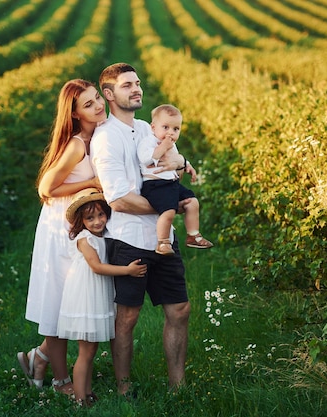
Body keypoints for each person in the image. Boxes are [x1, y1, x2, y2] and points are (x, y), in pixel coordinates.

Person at [90, 63, 191, 396]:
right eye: (126, 85)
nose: (136, 89)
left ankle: (178, 386)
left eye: (137, 83)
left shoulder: (148, 128)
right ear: (109, 94)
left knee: (179, 309)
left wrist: (179, 165)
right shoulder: (106, 137)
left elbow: (173, 160)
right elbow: (118, 199)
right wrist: (171, 205)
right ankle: (123, 387)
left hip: (163, 238)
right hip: (130, 239)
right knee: (128, 317)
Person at [19, 79, 106, 395]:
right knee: (60, 301)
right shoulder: (76, 145)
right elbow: (46, 188)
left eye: (97, 98)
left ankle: (38, 357)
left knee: (72, 297)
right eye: (88, 104)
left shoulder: (97, 134)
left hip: (76, 224)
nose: (98, 105)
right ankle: (60, 382)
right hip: (60, 228)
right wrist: (89, 184)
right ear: (73, 115)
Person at [58, 188, 147, 406]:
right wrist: (128, 271)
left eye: (101, 215)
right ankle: (80, 399)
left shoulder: (103, 236)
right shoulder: (84, 239)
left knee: (92, 348)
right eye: (90, 217)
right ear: (81, 220)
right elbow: (96, 267)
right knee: (86, 351)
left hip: (97, 294)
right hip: (87, 296)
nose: (98, 221)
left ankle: (86, 391)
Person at [137, 104, 214, 255]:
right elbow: (145, 159)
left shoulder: (172, 145)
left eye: (175, 129)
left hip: (171, 183)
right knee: (169, 212)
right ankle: (163, 242)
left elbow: (176, 159)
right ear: (153, 127)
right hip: (155, 185)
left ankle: (193, 235)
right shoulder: (148, 142)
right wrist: (163, 147)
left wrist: (187, 166)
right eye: (165, 127)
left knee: (193, 202)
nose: (170, 133)